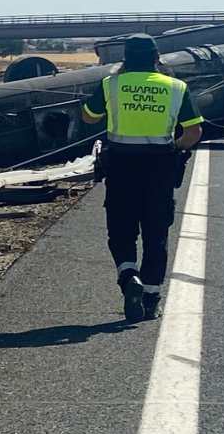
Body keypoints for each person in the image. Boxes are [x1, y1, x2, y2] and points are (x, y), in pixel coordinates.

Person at [81, 34, 203, 322]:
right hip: (160, 168)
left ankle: (128, 277)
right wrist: (176, 148)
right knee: (155, 234)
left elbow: (88, 116)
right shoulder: (176, 88)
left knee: (121, 230)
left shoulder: (111, 85)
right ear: (156, 58)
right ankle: (150, 299)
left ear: (126, 58)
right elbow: (194, 132)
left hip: (121, 166)